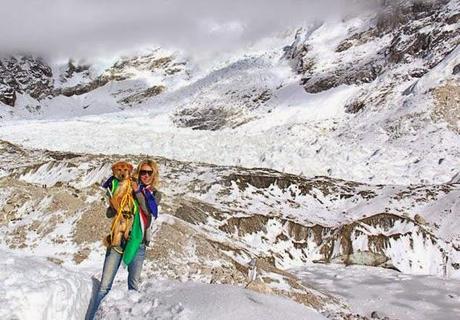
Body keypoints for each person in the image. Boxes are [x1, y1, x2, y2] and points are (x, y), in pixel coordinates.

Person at [86, 159, 161, 320]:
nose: (145, 175)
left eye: (149, 173)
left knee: (133, 288)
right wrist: (114, 202)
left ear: (153, 175)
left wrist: (137, 192)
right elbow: (109, 214)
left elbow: (148, 212)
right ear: (138, 172)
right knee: (104, 287)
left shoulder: (154, 194)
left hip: (138, 243)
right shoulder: (124, 186)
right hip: (117, 240)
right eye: (143, 172)